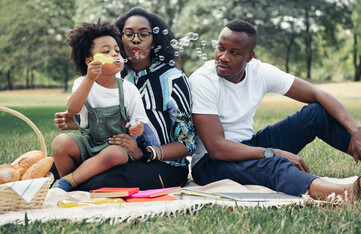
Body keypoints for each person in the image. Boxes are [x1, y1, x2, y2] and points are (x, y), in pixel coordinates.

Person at [189, 19, 361, 200]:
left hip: (249, 145)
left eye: (234, 52)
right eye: (220, 48)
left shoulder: (259, 72)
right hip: (211, 163)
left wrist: (355, 130)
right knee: (274, 164)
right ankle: (347, 193)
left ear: (249, 57)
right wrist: (272, 152)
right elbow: (217, 148)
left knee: (316, 114)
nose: (223, 57)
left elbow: (319, 94)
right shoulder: (203, 80)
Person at [53, 7, 196, 191]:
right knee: (60, 158)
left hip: (163, 164)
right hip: (113, 155)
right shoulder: (113, 76)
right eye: (128, 34)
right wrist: (77, 122)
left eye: (144, 34)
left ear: (154, 41)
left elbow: (188, 142)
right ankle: (68, 182)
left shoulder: (173, 79)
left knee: (101, 182)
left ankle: (69, 185)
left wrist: (143, 152)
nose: (135, 39)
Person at [51, 21, 148, 192]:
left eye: (117, 50)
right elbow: (72, 110)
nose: (115, 54)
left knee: (115, 153)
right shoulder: (83, 83)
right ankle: (68, 185)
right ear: (90, 61)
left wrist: (136, 127)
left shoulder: (128, 88)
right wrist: (89, 79)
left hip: (117, 149)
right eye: (106, 51)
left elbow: (138, 121)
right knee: (61, 142)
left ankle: (70, 182)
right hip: (89, 145)